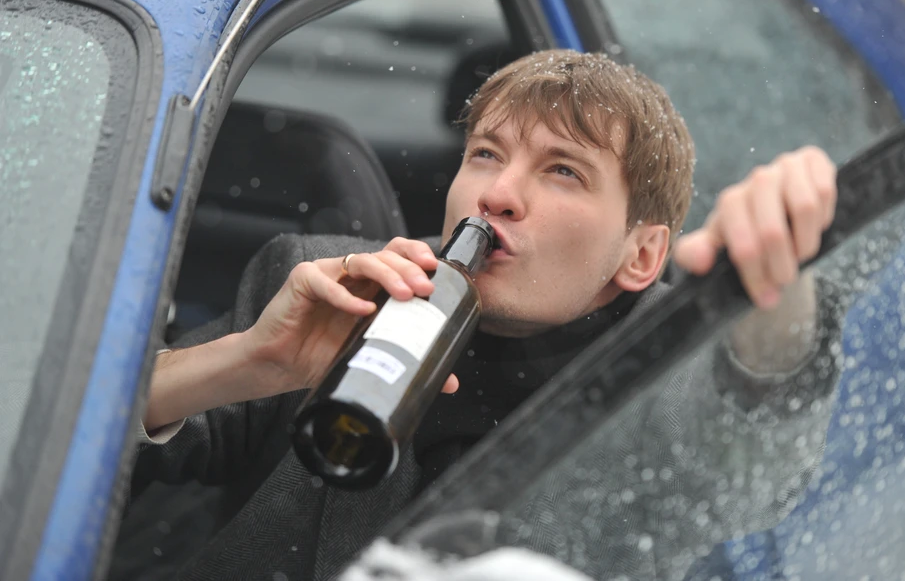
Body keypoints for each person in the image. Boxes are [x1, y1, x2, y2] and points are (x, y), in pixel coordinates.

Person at [127, 50, 842, 580]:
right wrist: (251, 360)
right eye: (485, 154)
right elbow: (94, 446)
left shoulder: (666, 368)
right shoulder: (325, 289)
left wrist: (777, 281)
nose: (497, 193)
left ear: (642, 255)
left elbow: (756, 450)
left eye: (562, 170)